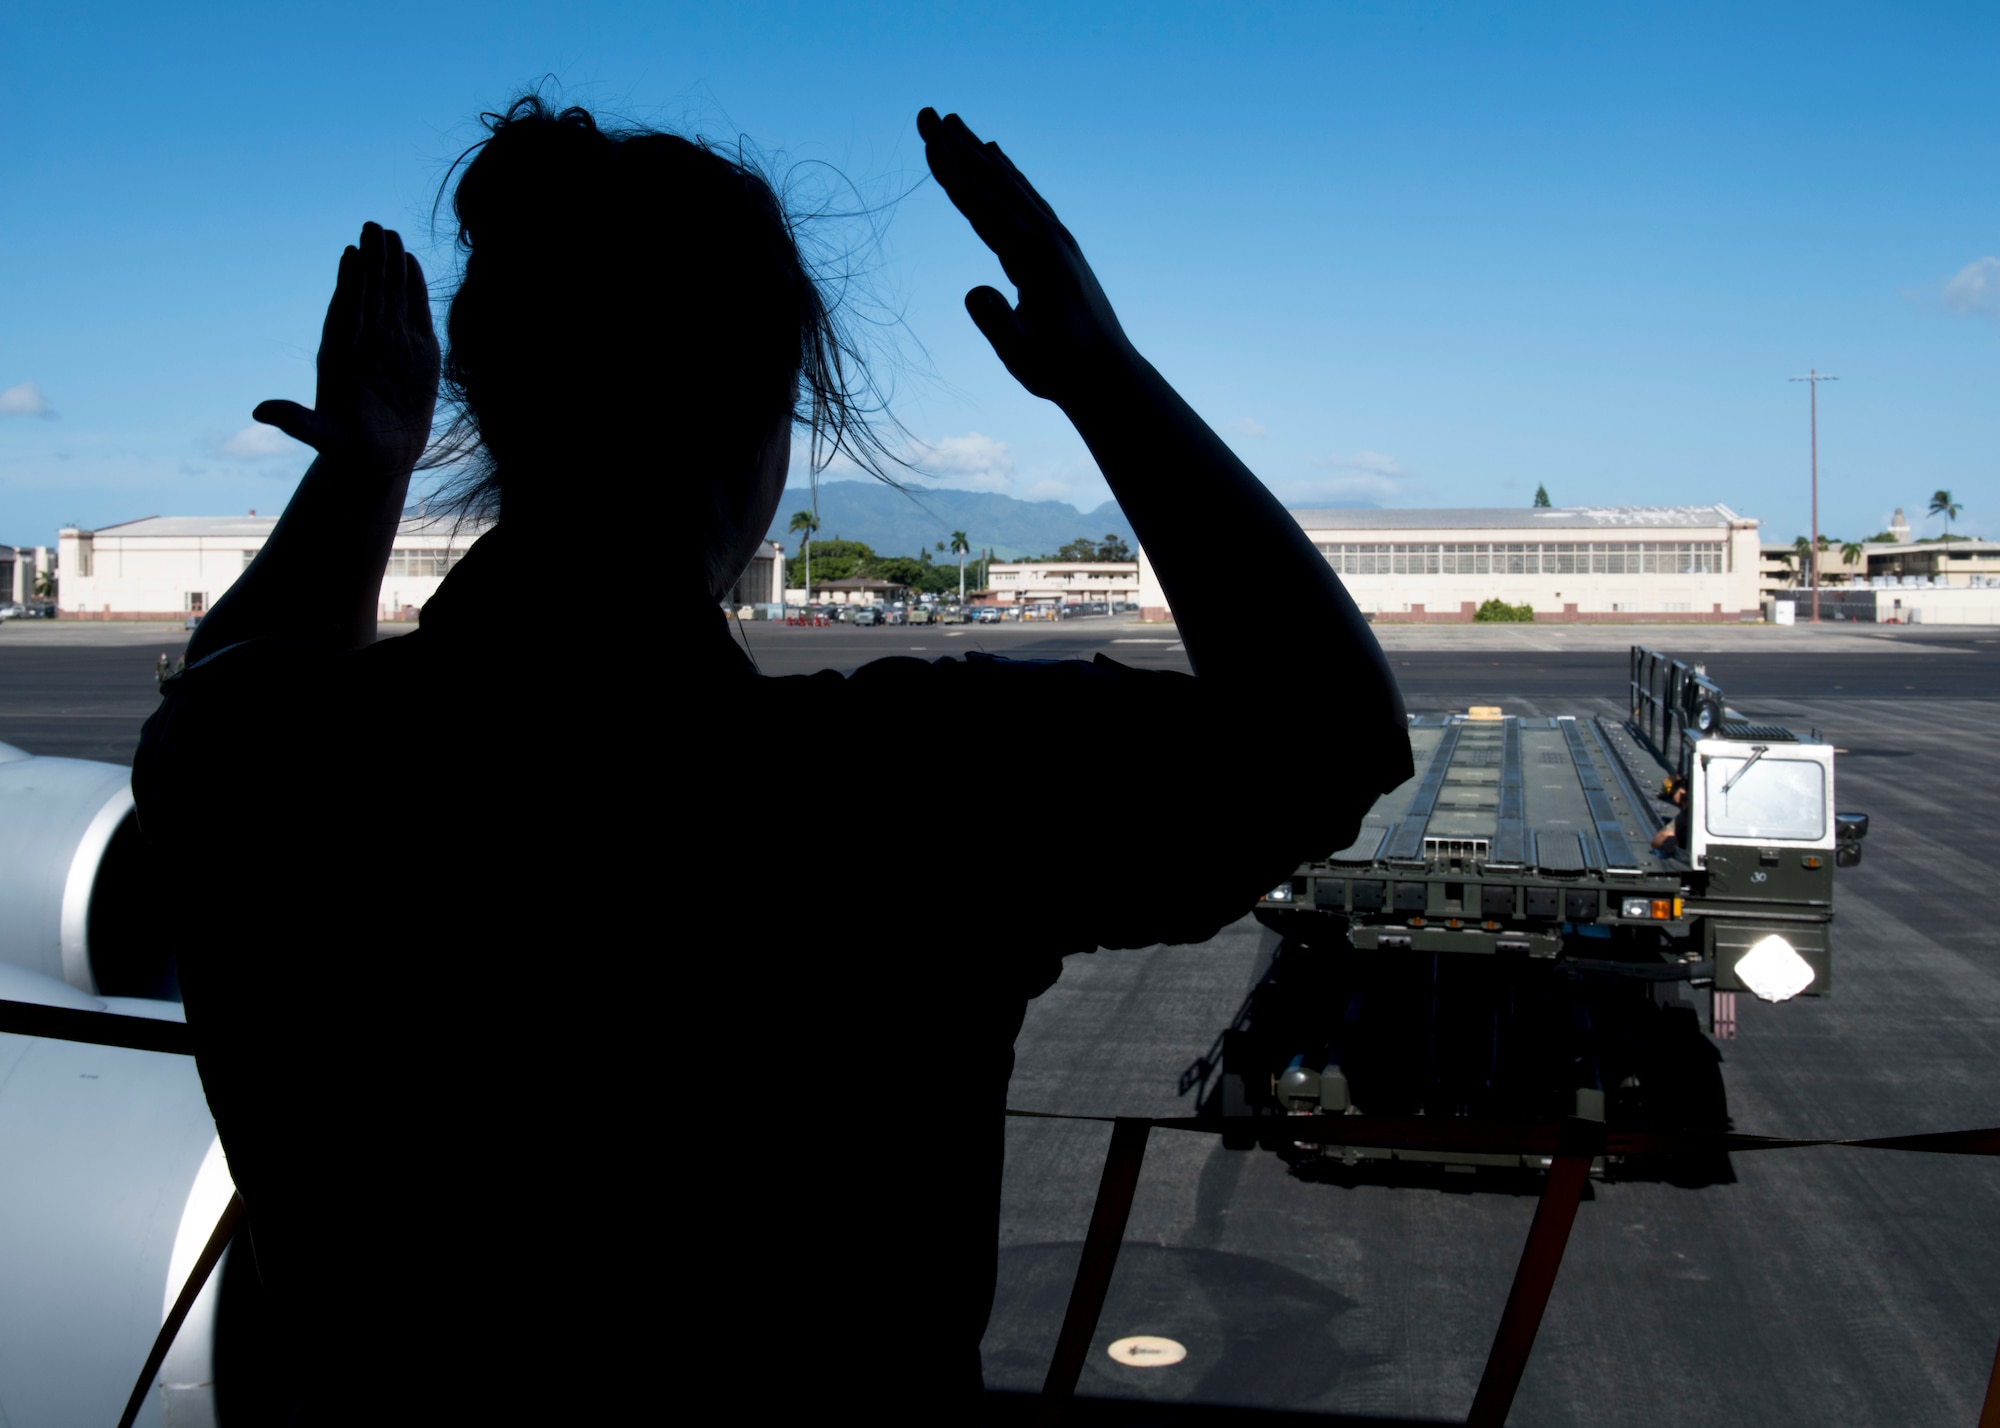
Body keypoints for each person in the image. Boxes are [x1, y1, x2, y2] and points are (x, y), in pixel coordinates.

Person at [134, 100, 1410, 1420]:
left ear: (490, 402)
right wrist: (1103, 372)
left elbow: (237, 678)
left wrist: (364, 464)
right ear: (761, 426)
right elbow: (1332, 735)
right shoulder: (904, 784)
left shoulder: (246, 774)